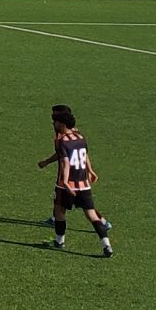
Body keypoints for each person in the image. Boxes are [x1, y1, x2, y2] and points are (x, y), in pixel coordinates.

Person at [38, 104, 114, 256]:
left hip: (65, 185)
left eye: (56, 121)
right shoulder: (80, 137)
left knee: (59, 211)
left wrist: (65, 182)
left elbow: (66, 162)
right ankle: (106, 245)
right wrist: (90, 170)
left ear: (63, 124)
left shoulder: (62, 141)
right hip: (83, 184)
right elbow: (84, 156)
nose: (54, 124)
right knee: (91, 215)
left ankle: (59, 242)